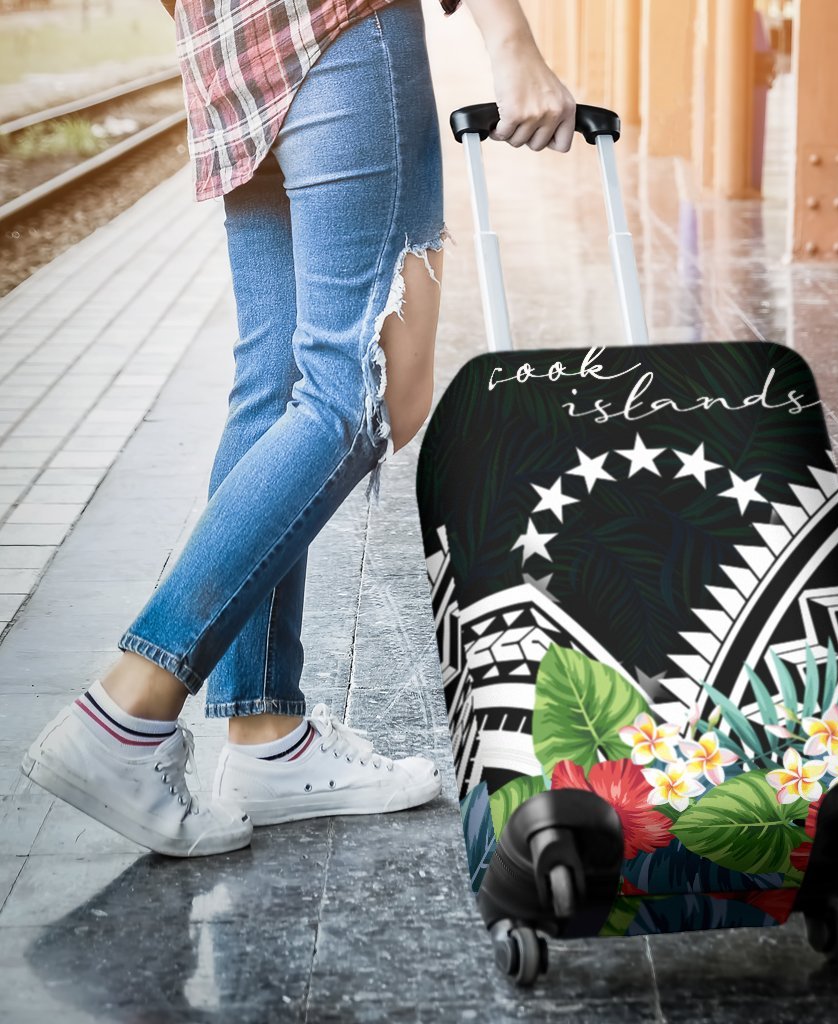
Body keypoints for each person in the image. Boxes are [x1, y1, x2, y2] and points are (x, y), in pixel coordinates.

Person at [21, 0, 576, 857]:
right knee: (361, 391)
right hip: (341, 27)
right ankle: (127, 711)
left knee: (276, 385)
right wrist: (512, 43)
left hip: (228, 50)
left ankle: (265, 735)